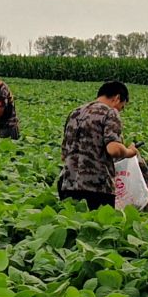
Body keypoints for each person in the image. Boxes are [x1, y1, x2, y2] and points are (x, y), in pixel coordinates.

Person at [58, 80, 141, 208]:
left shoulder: (75, 113)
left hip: (68, 185)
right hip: (97, 188)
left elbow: (64, 155)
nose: (120, 110)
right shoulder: (110, 112)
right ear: (117, 98)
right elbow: (113, 149)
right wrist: (129, 151)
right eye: (122, 106)